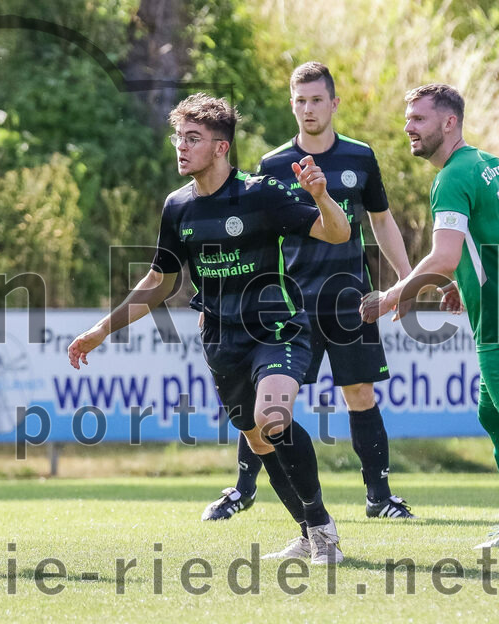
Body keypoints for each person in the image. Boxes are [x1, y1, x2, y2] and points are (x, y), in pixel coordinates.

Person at [68, 93, 349, 564]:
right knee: (258, 437)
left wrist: (321, 196)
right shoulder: (177, 206)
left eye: (193, 138)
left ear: (221, 148)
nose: (181, 146)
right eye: (179, 137)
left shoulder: (260, 193)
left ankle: (325, 531)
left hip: (276, 327)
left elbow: (337, 233)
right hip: (221, 339)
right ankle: (306, 533)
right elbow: (159, 281)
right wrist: (101, 329)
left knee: (272, 417)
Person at [203, 62, 415, 523]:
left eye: (317, 99)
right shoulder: (274, 165)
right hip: (288, 304)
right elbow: (255, 238)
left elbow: (381, 220)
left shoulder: (360, 157)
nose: (308, 109)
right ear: (292, 104)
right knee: (270, 399)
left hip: (350, 300)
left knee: (359, 392)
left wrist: (405, 281)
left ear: (334, 103)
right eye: (300, 100)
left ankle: (379, 497)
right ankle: (242, 490)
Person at [360, 83, 499, 548]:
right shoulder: (487, 166)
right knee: (489, 412)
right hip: (489, 314)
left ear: (449, 122)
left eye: (418, 118)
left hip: (497, 327)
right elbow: (468, 251)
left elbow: (440, 257)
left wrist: (395, 295)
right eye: (408, 118)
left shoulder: (452, 177)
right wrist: (466, 278)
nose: (408, 127)